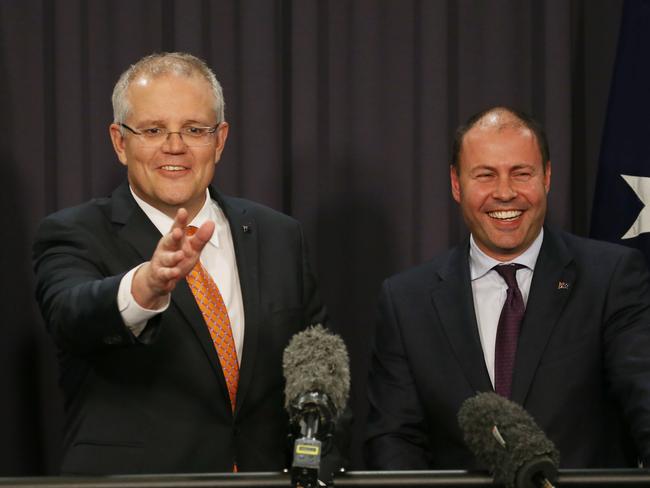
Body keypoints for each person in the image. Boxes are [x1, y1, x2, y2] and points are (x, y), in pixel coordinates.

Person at [33, 52, 342, 475]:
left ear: (220, 139)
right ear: (120, 141)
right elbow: (70, 314)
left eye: (195, 129)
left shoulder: (279, 236)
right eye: (153, 129)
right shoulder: (75, 232)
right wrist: (145, 286)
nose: (174, 146)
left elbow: (319, 364)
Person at [365, 106, 650, 469]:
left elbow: (645, 398)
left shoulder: (610, 278)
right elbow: (395, 439)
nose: (504, 193)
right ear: (456, 184)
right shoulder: (406, 302)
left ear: (546, 176)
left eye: (521, 173)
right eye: (485, 175)